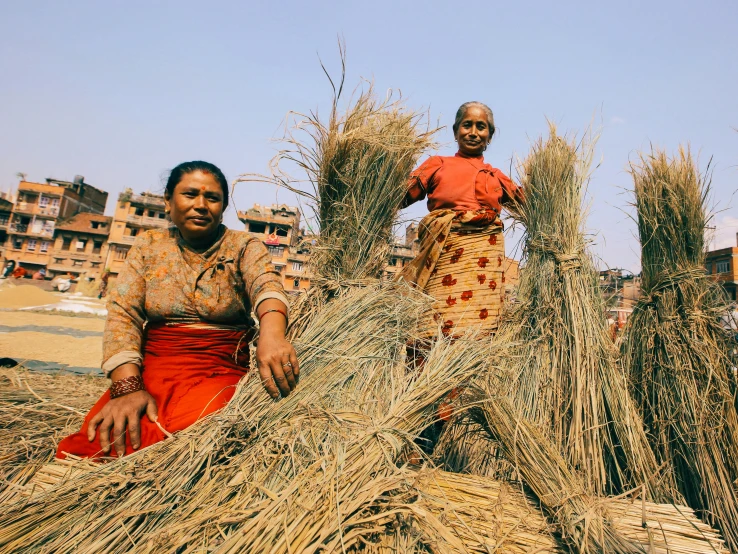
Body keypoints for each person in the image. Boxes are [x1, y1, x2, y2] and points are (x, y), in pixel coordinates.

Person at [57, 161, 298, 460]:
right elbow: (123, 314)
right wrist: (128, 387)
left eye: (212, 198)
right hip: (154, 368)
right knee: (105, 438)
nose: (201, 205)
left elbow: (267, 286)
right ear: (168, 202)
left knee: (198, 428)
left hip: (218, 368)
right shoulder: (148, 245)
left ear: (222, 207)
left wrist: (272, 336)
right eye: (190, 194)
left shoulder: (243, 244)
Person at [400, 101, 522, 339]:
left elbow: (529, 205)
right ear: (456, 131)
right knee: (430, 330)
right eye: (467, 125)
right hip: (442, 261)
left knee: (477, 337)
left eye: (481, 127)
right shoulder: (437, 165)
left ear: (490, 136)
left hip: (483, 271)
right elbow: (400, 197)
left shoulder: (496, 177)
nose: (474, 133)